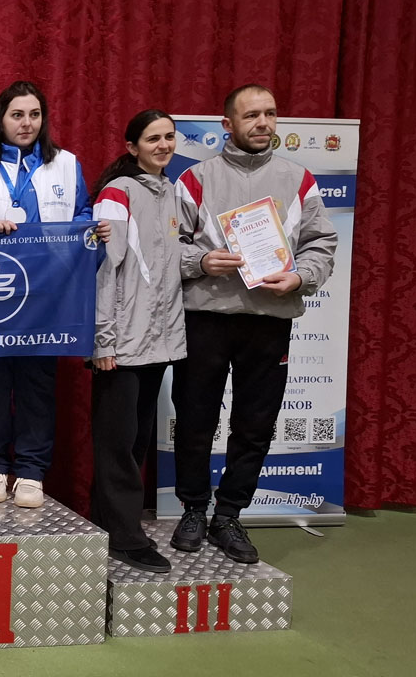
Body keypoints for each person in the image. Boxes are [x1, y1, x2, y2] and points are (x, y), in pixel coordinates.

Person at [170, 84, 336, 564]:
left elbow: (321, 243)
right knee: (195, 418)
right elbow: (168, 247)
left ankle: (228, 515)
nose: (263, 123)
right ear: (228, 125)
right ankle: (193, 509)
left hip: (269, 319)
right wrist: (201, 262)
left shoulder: (299, 179)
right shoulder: (195, 178)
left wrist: (300, 277)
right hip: (206, 317)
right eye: (251, 115)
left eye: (270, 113)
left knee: (255, 422)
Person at [0, 80, 109, 508]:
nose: (26, 123)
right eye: (17, 115)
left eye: (34, 115)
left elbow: (81, 215)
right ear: (0, 119)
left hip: (46, 297)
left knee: (37, 386)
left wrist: (92, 231)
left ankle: (30, 471)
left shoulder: (65, 164)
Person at [88, 109, 185, 573]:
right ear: (132, 147)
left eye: (169, 137)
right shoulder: (118, 193)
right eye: (152, 138)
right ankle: (125, 537)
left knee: (136, 440)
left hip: (158, 342)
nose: (163, 145)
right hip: (122, 344)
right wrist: (103, 341)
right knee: (118, 443)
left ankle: (108, 523)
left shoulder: (172, 192)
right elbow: (104, 271)